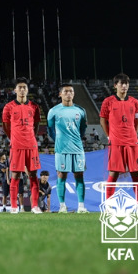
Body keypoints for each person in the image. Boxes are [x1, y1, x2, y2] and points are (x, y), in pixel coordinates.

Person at [100, 73, 138, 213]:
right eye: (121, 83)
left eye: (126, 83)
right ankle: (108, 206)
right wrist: (109, 136)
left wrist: (134, 135)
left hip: (132, 143)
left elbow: (137, 121)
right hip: (116, 143)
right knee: (113, 173)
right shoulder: (108, 101)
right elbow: (102, 119)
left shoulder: (135, 102)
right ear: (115, 86)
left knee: (136, 174)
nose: (124, 86)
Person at [2, 77, 43, 214]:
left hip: (31, 145)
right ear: (15, 90)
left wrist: (31, 136)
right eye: (19, 87)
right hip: (17, 146)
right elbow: (6, 126)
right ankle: (14, 206)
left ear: (27, 90)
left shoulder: (34, 106)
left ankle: (35, 206)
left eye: (24, 87)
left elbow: (36, 124)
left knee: (33, 175)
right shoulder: (8, 107)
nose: (22, 90)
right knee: (15, 176)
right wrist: (14, 138)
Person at [47, 83, 88, 213]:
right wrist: (59, 140)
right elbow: (50, 129)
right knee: (61, 175)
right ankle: (62, 206)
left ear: (74, 94)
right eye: (65, 91)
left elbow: (82, 129)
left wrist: (75, 139)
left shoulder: (80, 111)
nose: (68, 94)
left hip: (77, 148)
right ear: (60, 94)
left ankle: (81, 206)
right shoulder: (53, 111)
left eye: (71, 91)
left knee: (79, 175)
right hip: (61, 149)